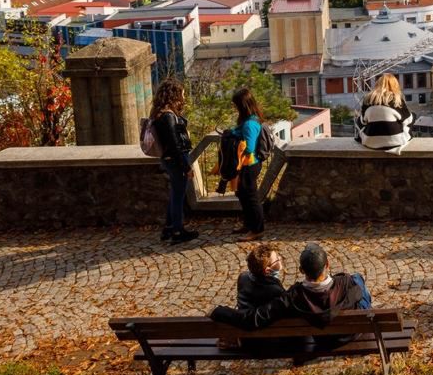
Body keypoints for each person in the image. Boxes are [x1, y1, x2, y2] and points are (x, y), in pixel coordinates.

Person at [210, 242, 372, 348]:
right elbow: (358, 292)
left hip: (323, 341)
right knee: (358, 279)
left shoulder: (292, 297)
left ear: (301, 270)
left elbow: (253, 318)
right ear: (327, 265)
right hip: (351, 333)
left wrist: (220, 311)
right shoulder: (347, 282)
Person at [150, 79, 198, 245]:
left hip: (169, 159)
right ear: (174, 94)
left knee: (175, 194)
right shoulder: (168, 116)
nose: (183, 96)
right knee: (178, 195)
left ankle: (169, 228)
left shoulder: (158, 113)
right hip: (176, 160)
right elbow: (175, 144)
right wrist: (186, 167)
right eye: (182, 93)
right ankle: (178, 231)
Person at [228, 86, 267, 239]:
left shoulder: (250, 124)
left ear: (242, 105)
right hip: (245, 165)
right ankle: (248, 224)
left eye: (236, 105)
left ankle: (257, 229)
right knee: (242, 194)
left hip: (249, 165)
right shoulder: (248, 121)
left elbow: (249, 148)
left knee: (251, 197)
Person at [354, 73, 413, 152]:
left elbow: (363, 122)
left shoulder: (368, 99)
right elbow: (407, 120)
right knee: (412, 117)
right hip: (395, 142)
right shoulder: (397, 99)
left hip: (370, 142)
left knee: (359, 119)